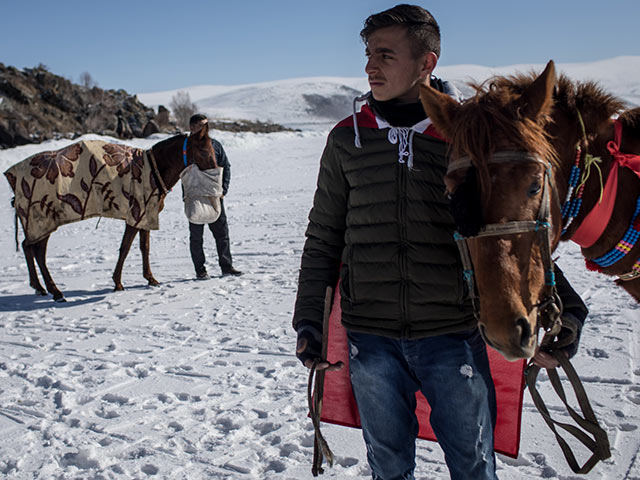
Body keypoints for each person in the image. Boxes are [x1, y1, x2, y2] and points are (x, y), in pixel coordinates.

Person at [292, 5, 588, 480]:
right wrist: (309, 320)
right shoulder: (346, 140)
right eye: (368, 54)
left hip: (451, 335)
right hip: (372, 337)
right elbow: (325, 236)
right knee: (387, 467)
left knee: (473, 465)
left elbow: (506, 230)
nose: (370, 66)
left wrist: (566, 309)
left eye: (385, 55)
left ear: (426, 63)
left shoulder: (465, 137)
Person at [187, 114, 242, 279]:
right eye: (201, 125)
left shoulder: (215, 145)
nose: (205, 128)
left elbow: (226, 166)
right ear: (192, 127)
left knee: (222, 234)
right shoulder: (185, 147)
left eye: (206, 125)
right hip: (195, 196)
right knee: (196, 237)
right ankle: (200, 270)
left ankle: (227, 267)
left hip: (214, 196)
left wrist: (224, 189)